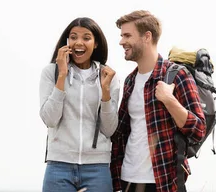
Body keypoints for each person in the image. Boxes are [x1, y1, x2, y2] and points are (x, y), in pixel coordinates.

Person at [110, 10, 206, 192]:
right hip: (127, 179)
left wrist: (169, 100)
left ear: (147, 37)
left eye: (127, 35)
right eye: (122, 36)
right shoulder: (130, 80)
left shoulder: (177, 75)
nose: (122, 41)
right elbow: (120, 134)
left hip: (163, 182)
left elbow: (198, 130)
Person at [39, 17, 121, 192]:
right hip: (59, 167)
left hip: (97, 168)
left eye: (86, 37)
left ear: (96, 43)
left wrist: (105, 92)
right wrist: (61, 76)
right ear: (67, 42)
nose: (78, 42)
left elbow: (109, 129)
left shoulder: (108, 76)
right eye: (73, 37)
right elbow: (50, 119)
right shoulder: (50, 72)